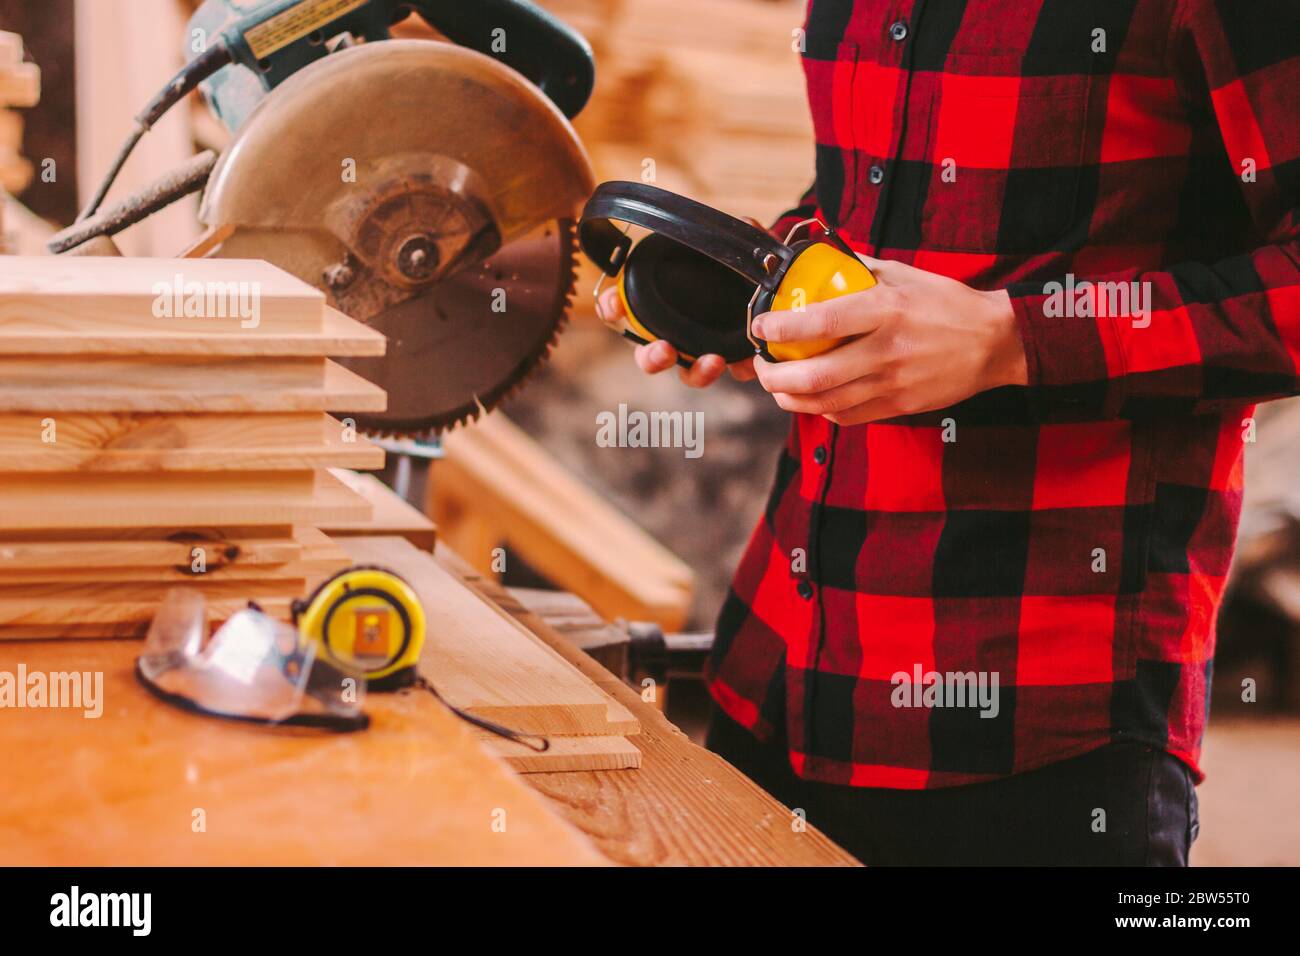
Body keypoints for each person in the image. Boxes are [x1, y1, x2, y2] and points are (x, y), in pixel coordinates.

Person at [598, 0, 1298, 865]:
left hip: (1039, 731)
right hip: (773, 676)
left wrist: (1013, 341)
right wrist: (762, 278)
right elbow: (878, 197)